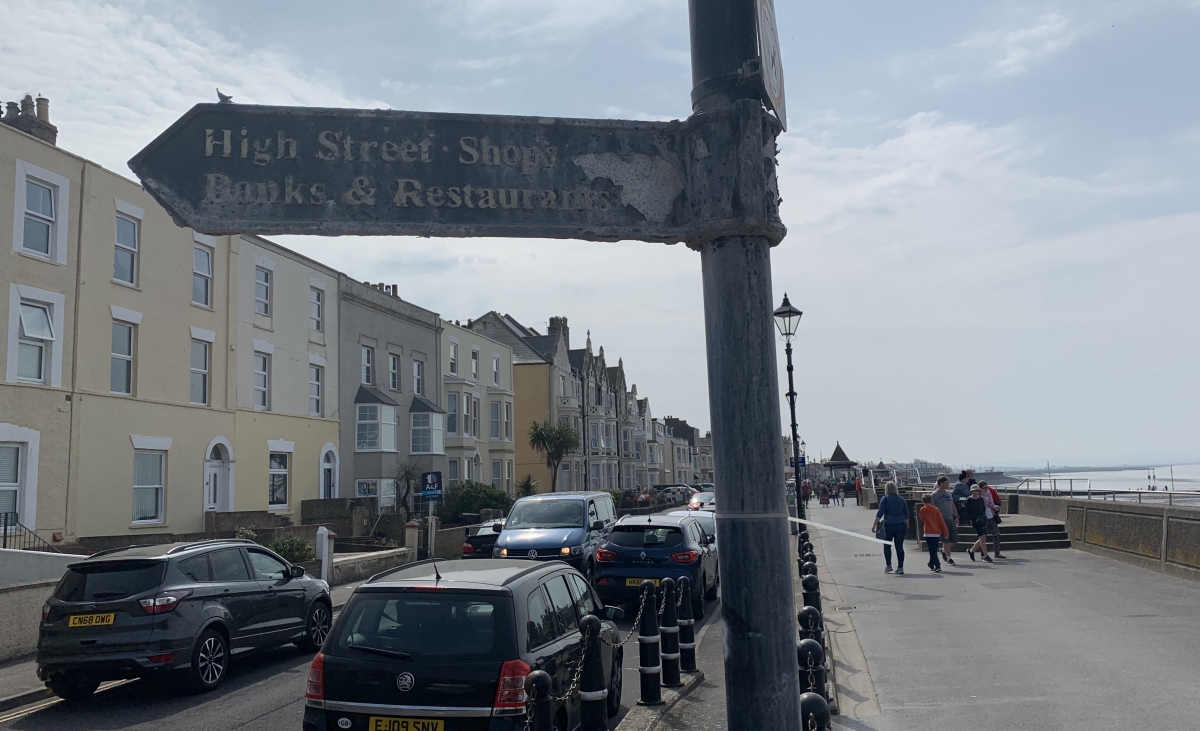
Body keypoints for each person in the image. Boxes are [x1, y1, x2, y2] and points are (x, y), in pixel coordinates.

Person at [872, 482, 909, 574]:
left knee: (887, 545)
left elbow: (880, 513)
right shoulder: (901, 499)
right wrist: (906, 524)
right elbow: (906, 513)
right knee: (899, 546)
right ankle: (900, 567)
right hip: (901, 524)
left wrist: (874, 525)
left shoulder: (885, 499)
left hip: (889, 525)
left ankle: (888, 565)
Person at [930, 476, 958, 565]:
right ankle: (949, 558)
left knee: (954, 539)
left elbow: (952, 505)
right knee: (945, 539)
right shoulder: (934, 495)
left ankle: (944, 550)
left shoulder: (949, 494)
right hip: (941, 520)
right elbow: (932, 508)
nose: (948, 485)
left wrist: (956, 516)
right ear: (941, 484)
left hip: (950, 518)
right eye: (946, 483)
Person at [918, 494, 948, 573]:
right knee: (934, 549)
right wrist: (945, 532)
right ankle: (931, 563)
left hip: (928, 532)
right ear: (931, 501)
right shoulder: (935, 509)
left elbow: (922, 518)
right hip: (936, 532)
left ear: (923, 501)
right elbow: (941, 521)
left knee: (932, 550)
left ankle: (937, 565)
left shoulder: (922, 510)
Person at [964, 485, 993, 563]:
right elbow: (967, 511)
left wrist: (983, 517)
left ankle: (971, 551)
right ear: (972, 491)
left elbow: (983, 509)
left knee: (982, 538)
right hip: (975, 521)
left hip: (982, 520)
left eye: (977, 490)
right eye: (974, 491)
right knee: (983, 538)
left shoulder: (980, 499)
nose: (976, 492)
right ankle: (986, 556)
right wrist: (971, 519)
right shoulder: (969, 500)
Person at [979, 481, 1006, 558]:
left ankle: (997, 553)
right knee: (983, 537)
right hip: (984, 518)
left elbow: (991, 502)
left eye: (986, 487)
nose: (986, 489)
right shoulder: (978, 496)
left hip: (991, 516)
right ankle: (983, 553)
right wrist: (983, 497)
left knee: (996, 535)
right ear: (980, 488)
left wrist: (993, 506)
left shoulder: (989, 493)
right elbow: (981, 506)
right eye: (984, 488)